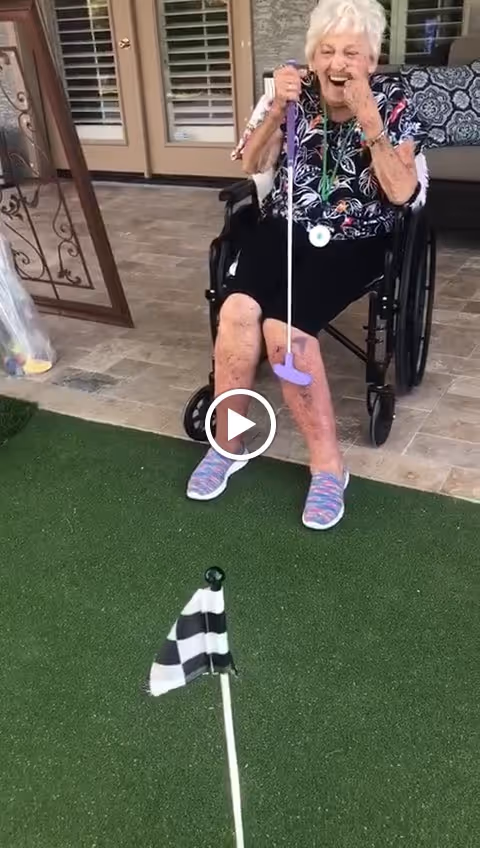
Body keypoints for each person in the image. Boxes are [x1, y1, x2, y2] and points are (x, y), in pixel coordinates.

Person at [186, 0, 426, 530]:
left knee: (285, 333)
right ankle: (228, 443)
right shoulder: (291, 93)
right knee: (237, 314)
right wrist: (275, 108)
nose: (338, 62)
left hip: (352, 237)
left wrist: (369, 117)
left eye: (351, 52)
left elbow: (404, 191)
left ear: (373, 57)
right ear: (312, 56)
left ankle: (328, 469)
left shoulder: (395, 101)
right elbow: (251, 165)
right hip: (283, 227)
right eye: (327, 50)